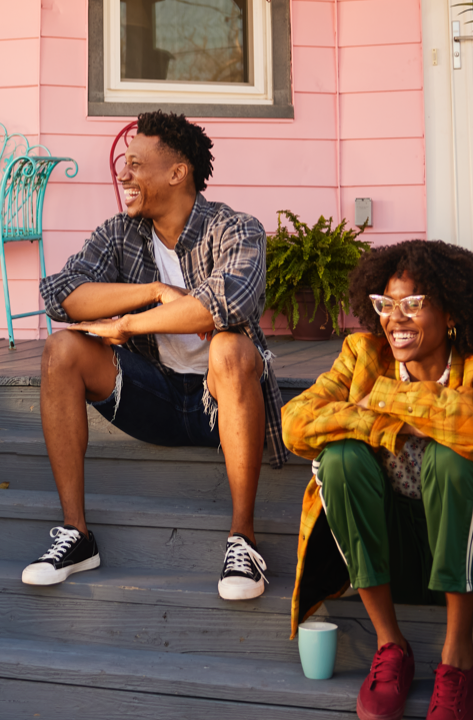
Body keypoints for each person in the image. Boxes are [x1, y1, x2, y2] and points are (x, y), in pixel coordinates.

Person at [26, 110, 287, 600]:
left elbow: (224, 305)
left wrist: (127, 323)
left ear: (177, 172)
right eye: (124, 163)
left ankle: (243, 541)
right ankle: (77, 535)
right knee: (61, 347)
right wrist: (151, 289)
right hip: (156, 396)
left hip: (221, 403)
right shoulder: (118, 234)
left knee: (229, 347)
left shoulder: (235, 229)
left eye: (136, 163)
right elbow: (62, 295)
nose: (123, 173)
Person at [283, 240, 473, 720]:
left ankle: (460, 657)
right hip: (389, 542)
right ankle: (390, 646)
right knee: (339, 460)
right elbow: (295, 423)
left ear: (452, 312)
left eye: (413, 305)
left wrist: (380, 400)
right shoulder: (362, 354)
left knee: (453, 459)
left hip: (471, 548)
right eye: (385, 304)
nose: (394, 319)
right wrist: (381, 425)